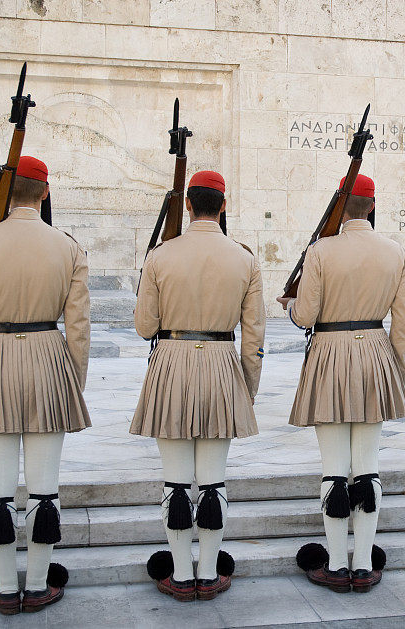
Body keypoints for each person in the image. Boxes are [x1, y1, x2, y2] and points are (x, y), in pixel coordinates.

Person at [0, 155, 91, 614]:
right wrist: (73, 382)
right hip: (49, 358)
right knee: (45, 488)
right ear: (45, 193)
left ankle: (6, 587)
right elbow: (79, 327)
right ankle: (42, 583)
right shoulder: (68, 247)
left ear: (7, 194)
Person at [132, 170, 265, 602]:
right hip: (222, 365)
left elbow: (144, 326)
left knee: (174, 483)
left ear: (188, 205)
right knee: (213, 482)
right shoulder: (244, 259)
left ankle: (180, 574)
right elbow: (254, 336)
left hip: (171, 364)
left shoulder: (160, 255)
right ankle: (208, 574)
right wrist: (246, 388)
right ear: (223, 205)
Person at [277, 173, 405, 593]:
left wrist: (290, 306)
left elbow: (306, 316)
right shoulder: (396, 253)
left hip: (331, 353)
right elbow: (404, 324)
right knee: (368, 467)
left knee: (334, 469)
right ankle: (365, 563)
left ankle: (336, 565)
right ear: (372, 206)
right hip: (375, 352)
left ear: (341, 205)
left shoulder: (320, 251)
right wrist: (395, 373)